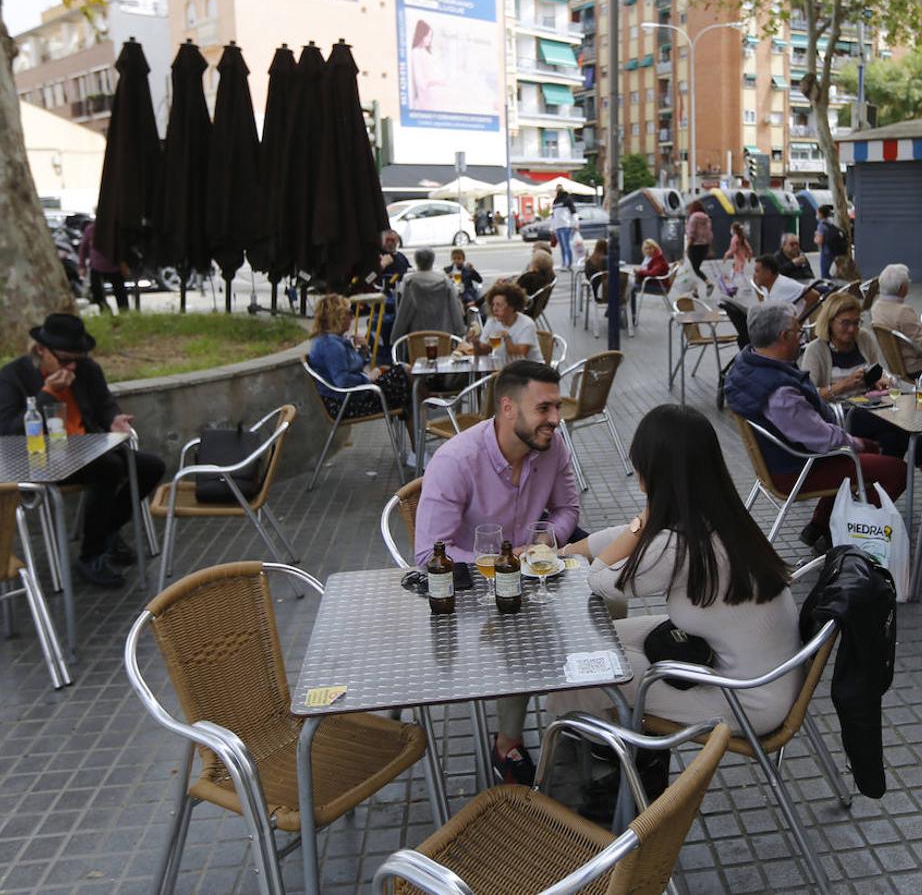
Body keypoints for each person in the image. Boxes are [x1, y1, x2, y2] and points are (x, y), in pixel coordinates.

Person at [548, 403, 803, 751]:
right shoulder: (719, 514)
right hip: (761, 673)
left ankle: (592, 773)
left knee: (580, 677)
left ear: (653, 474)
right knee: (592, 646)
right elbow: (628, 534)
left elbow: (599, 578)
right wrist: (563, 553)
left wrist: (642, 520)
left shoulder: (677, 548)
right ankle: (605, 749)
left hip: (747, 701)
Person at [414, 359, 581, 784]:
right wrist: (505, 562)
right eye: (544, 409)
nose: (555, 420)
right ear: (508, 408)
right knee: (518, 627)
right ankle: (508, 744)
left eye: (557, 407)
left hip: (533, 576)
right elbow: (426, 556)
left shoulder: (552, 447)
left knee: (608, 601)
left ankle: (581, 713)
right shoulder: (456, 460)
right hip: (472, 591)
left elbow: (567, 509)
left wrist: (546, 541)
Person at [0, 314, 165, 588]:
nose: (72, 366)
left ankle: (105, 534)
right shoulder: (11, 376)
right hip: (43, 460)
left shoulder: (87, 370)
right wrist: (47, 392)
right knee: (110, 468)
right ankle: (91, 555)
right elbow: (9, 432)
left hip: (89, 447)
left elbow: (105, 402)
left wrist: (114, 419)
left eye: (78, 359)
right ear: (41, 350)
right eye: (64, 360)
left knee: (151, 466)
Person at [723, 301, 907, 550]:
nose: (802, 337)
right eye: (799, 332)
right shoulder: (779, 391)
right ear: (784, 336)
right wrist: (860, 444)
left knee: (872, 442)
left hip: (782, 458)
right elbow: (823, 439)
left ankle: (821, 523)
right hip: (796, 469)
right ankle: (845, 532)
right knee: (896, 470)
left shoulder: (748, 364)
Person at [800, 293, 922, 473]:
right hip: (839, 416)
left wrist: (879, 381)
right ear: (830, 322)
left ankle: (879, 490)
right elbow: (809, 395)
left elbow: (877, 370)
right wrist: (844, 386)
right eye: (845, 323)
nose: (852, 329)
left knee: (893, 438)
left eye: (856, 322)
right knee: (901, 422)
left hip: (870, 407)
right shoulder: (816, 349)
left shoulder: (864, 338)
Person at [307, 294, 413, 431]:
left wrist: (363, 348)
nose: (353, 317)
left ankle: (418, 447)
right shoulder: (331, 345)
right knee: (406, 377)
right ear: (338, 316)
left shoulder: (331, 340)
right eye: (350, 313)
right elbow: (343, 381)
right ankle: (431, 404)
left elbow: (355, 366)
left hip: (349, 398)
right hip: (347, 403)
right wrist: (368, 378)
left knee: (403, 378)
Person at [865, 263, 922, 380]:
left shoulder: (876, 307)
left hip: (897, 364)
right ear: (903, 288)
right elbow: (921, 342)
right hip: (918, 367)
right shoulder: (903, 311)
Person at [391, 248, 466, 342]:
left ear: (417, 261)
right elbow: (454, 308)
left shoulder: (410, 282)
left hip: (417, 336)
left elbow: (403, 311)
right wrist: (460, 331)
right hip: (443, 335)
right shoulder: (444, 281)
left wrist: (396, 336)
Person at [467, 280, 537, 360]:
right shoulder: (492, 322)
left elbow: (519, 356)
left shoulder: (526, 324)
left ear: (512, 306)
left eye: (499, 305)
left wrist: (506, 337)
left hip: (529, 369)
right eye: (493, 304)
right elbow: (482, 353)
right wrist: (476, 343)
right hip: (503, 368)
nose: (494, 309)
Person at [77, 220, 128, 312]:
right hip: (96, 267)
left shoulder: (115, 229)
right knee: (98, 295)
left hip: (114, 267)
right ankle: (106, 313)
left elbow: (122, 248)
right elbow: (83, 249)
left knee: (121, 296)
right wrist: (82, 266)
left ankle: (125, 316)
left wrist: (124, 265)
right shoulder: (90, 229)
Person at [752, 253, 821, 313]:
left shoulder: (785, 284)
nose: (754, 275)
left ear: (768, 273)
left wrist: (799, 320)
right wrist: (757, 287)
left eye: (757, 271)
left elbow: (814, 295)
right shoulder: (766, 285)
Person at [684, 200, 713, 288]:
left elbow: (692, 233)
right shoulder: (706, 217)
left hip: (694, 246)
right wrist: (710, 247)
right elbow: (710, 234)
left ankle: (708, 283)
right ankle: (695, 290)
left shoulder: (693, 217)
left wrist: (687, 247)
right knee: (695, 268)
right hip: (704, 246)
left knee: (692, 269)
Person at [815, 204, 847, 278]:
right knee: (827, 271)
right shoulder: (830, 222)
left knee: (824, 273)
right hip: (832, 250)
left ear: (820, 214)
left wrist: (815, 238)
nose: (816, 215)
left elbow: (819, 240)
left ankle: (830, 287)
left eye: (817, 213)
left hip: (826, 251)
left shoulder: (821, 225)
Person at [550, 185, 578, 270]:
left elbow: (574, 212)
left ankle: (568, 264)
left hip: (566, 225)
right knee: (562, 247)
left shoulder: (567, 199)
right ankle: (564, 264)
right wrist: (553, 227)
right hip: (558, 226)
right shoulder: (555, 201)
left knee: (566, 246)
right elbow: (553, 216)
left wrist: (575, 224)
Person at [584, 238, 608, 303]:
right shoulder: (606, 260)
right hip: (606, 293)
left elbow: (587, 275)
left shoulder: (589, 260)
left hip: (594, 291)